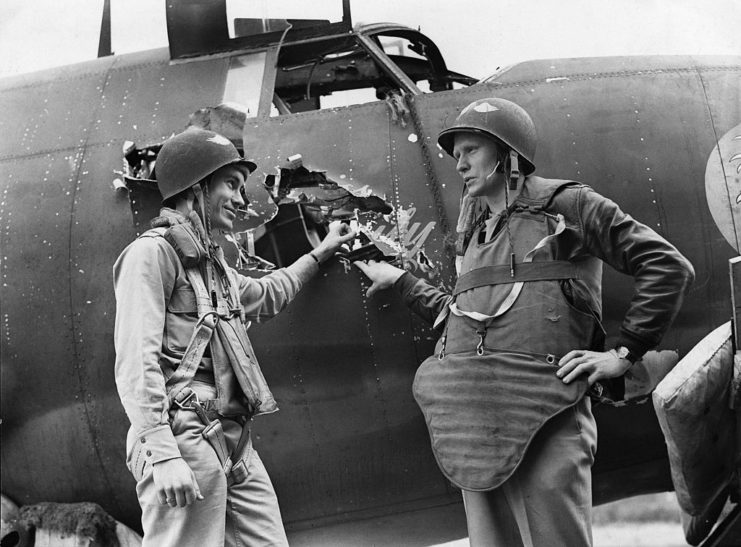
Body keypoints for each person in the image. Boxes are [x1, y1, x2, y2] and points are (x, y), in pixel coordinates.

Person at [354, 97, 694, 546]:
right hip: (477, 428)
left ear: (508, 153)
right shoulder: (477, 232)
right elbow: (466, 320)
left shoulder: (568, 204)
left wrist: (623, 354)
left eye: (471, 150)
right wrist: (400, 281)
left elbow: (668, 267)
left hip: (549, 417)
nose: (460, 164)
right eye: (456, 155)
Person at [113, 127, 354, 546]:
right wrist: (164, 455)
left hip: (233, 439)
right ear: (196, 188)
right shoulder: (150, 254)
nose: (242, 200)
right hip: (182, 438)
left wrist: (322, 252)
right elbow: (137, 362)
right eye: (231, 184)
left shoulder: (214, 270)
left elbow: (267, 294)